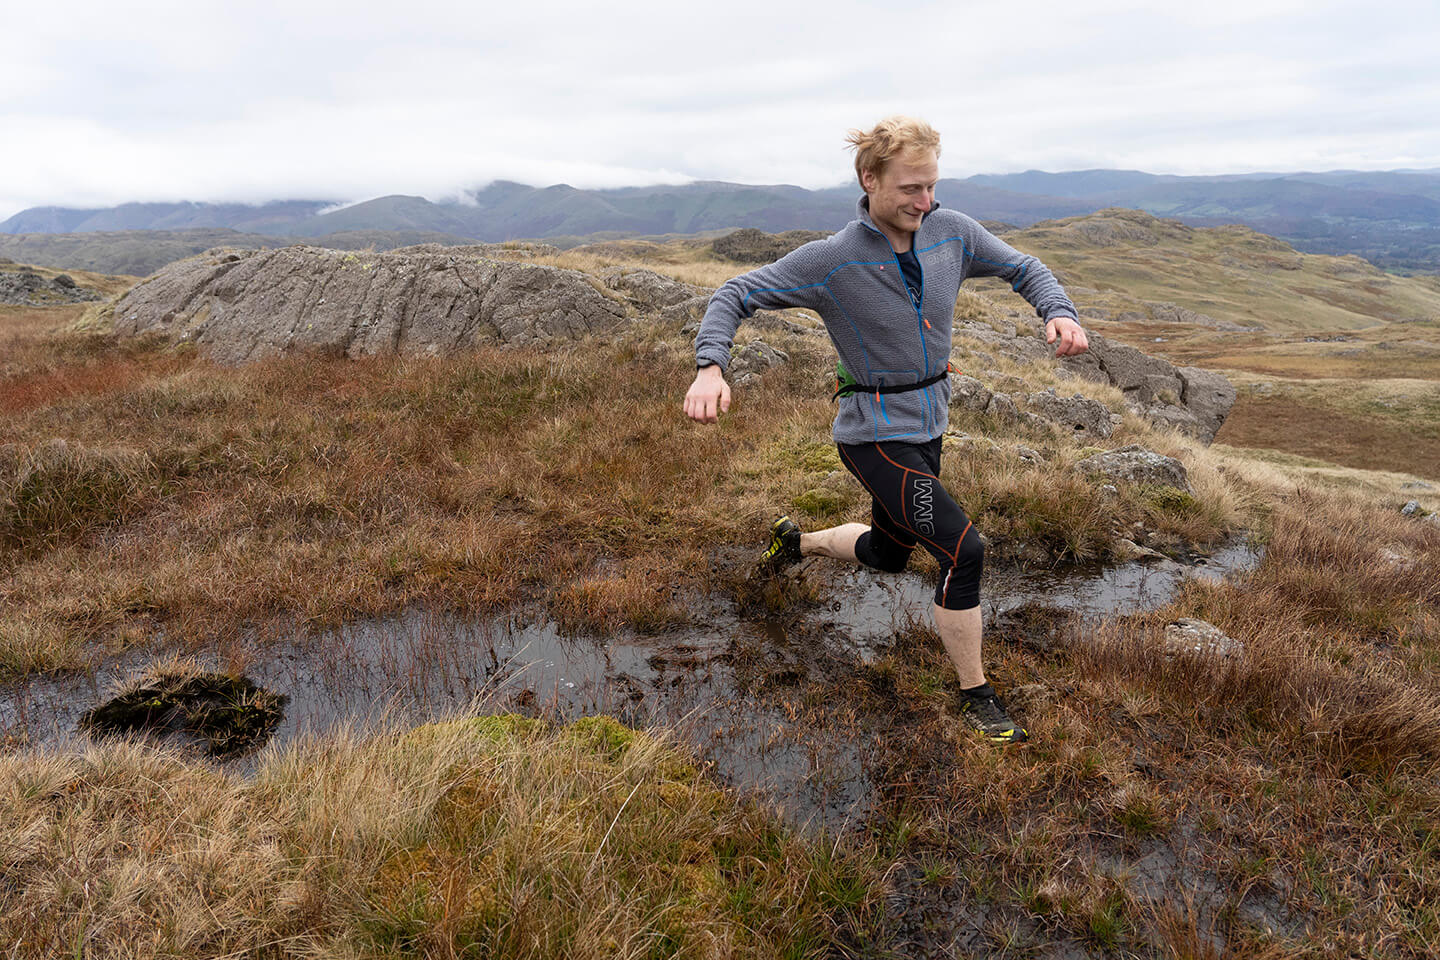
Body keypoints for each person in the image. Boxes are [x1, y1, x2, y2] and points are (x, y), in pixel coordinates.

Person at [683, 116, 1089, 744]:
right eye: (909, 190)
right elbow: (735, 293)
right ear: (869, 180)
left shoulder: (951, 232)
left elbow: (1025, 267)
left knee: (888, 553)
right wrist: (712, 368)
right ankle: (976, 694)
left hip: (929, 424)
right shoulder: (833, 258)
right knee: (964, 551)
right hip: (872, 435)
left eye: (931, 187)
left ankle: (798, 544)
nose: (924, 203)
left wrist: (1057, 311)